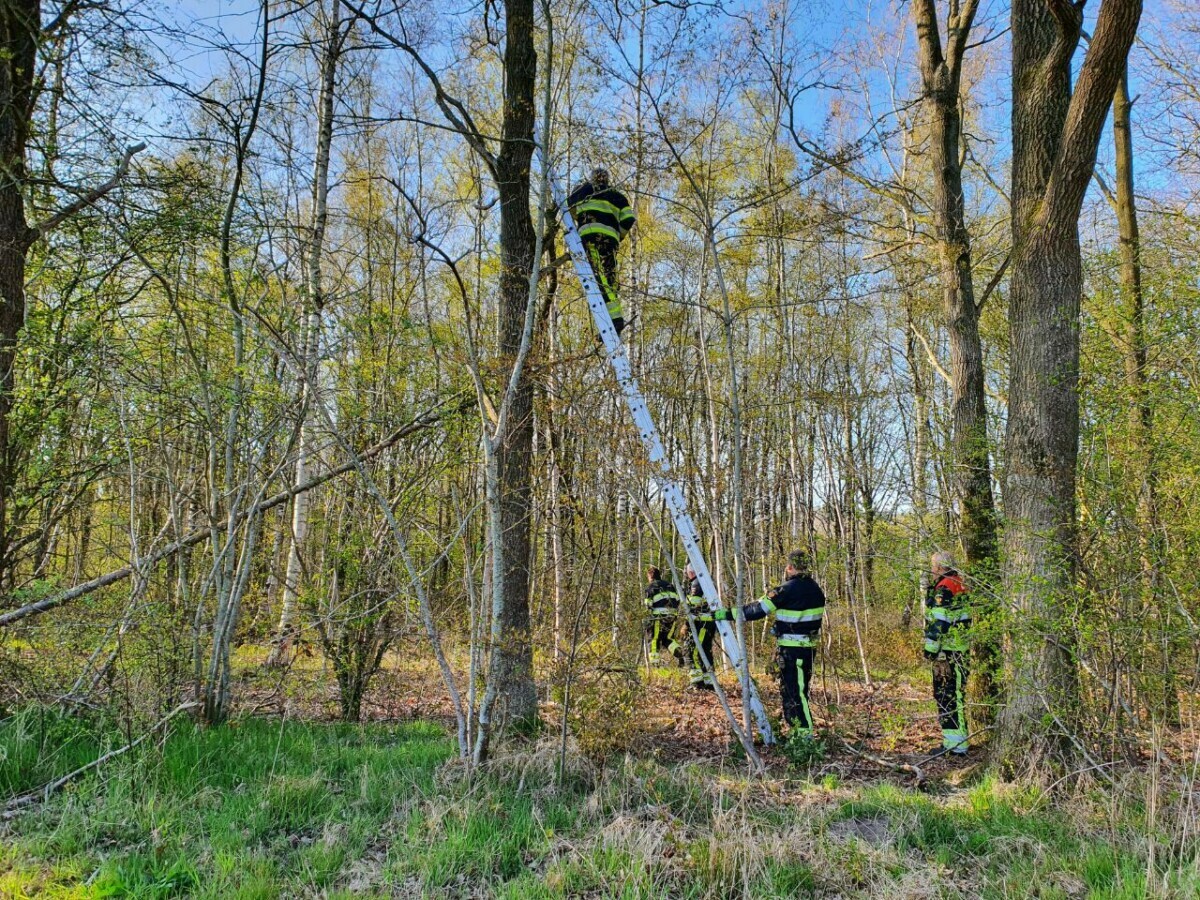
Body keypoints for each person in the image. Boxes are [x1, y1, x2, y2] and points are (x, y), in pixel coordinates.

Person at [714, 549, 825, 737]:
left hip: (792, 651)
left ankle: (804, 738)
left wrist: (727, 614)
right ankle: (797, 733)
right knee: (798, 691)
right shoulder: (816, 589)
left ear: (790, 567)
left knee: (795, 694)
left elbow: (757, 610)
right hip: (807, 649)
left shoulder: (786, 589)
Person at [567, 167, 635, 336]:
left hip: (590, 238)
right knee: (610, 279)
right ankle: (611, 323)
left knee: (599, 279)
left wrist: (581, 220)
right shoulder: (617, 196)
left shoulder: (583, 190)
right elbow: (628, 219)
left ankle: (615, 320)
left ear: (592, 178)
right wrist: (619, 235)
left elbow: (569, 209)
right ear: (607, 179)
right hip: (610, 241)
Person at [924, 551, 971, 755]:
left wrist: (930, 651)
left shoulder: (945, 588)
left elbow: (939, 623)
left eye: (933, 566)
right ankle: (952, 743)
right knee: (949, 696)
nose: (932, 570)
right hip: (958, 649)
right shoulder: (959, 583)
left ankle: (957, 746)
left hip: (950, 652)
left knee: (950, 696)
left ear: (941, 568)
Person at [680, 564, 717, 690]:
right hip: (708, 623)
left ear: (692, 572)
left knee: (692, 652)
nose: (687, 574)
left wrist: (686, 623)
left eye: (687, 572)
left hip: (701, 623)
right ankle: (709, 682)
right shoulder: (707, 581)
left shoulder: (696, 583)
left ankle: (697, 683)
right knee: (706, 653)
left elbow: (694, 606)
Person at [643, 565, 682, 666]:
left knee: (654, 639)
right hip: (672, 616)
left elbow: (648, 604)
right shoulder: (670, 585)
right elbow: (677, 601)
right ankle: (682, 655)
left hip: (658, 617)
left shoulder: (651, 586)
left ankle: (655, 665)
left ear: (650, 576)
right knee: (668, 639)